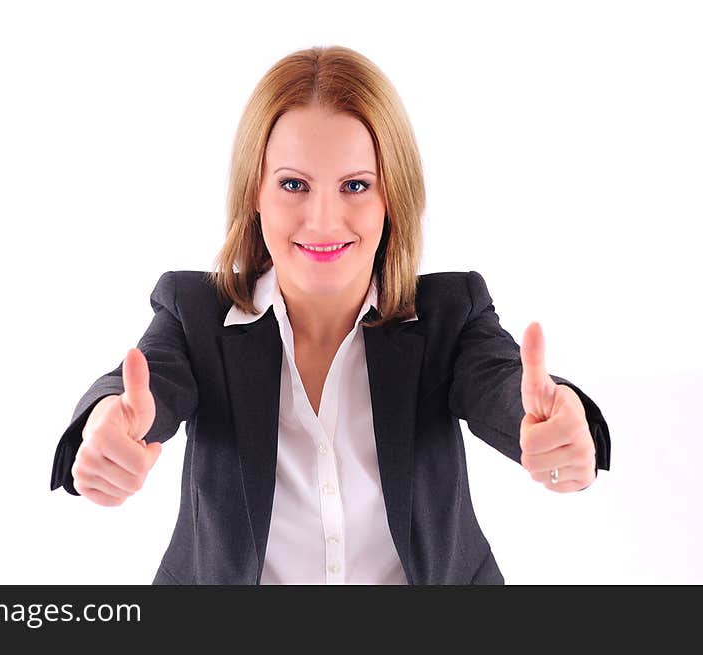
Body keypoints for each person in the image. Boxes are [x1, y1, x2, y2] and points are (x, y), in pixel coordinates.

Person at [50, 45, 611, 585]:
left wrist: (559, 424)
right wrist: (103, 427)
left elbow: (502, 386)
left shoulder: (449, 315)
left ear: (392, 198)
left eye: (355, 186)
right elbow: (144, 389)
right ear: (255, 192)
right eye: (294, 184)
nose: (322, 220)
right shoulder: (194, 314)